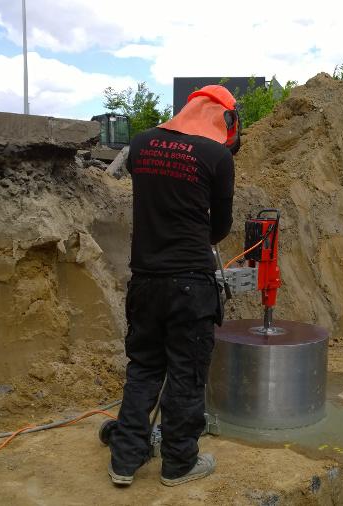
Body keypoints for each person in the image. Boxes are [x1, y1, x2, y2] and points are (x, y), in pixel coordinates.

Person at [102, 85, 240, 487]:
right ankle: (179, 464)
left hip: (144, 280)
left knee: (143, 368)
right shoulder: (216, 156)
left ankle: (124, 461)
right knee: (186, 374)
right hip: (190, 286)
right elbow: (220, 228)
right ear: (223, 118)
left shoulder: (143, 142)